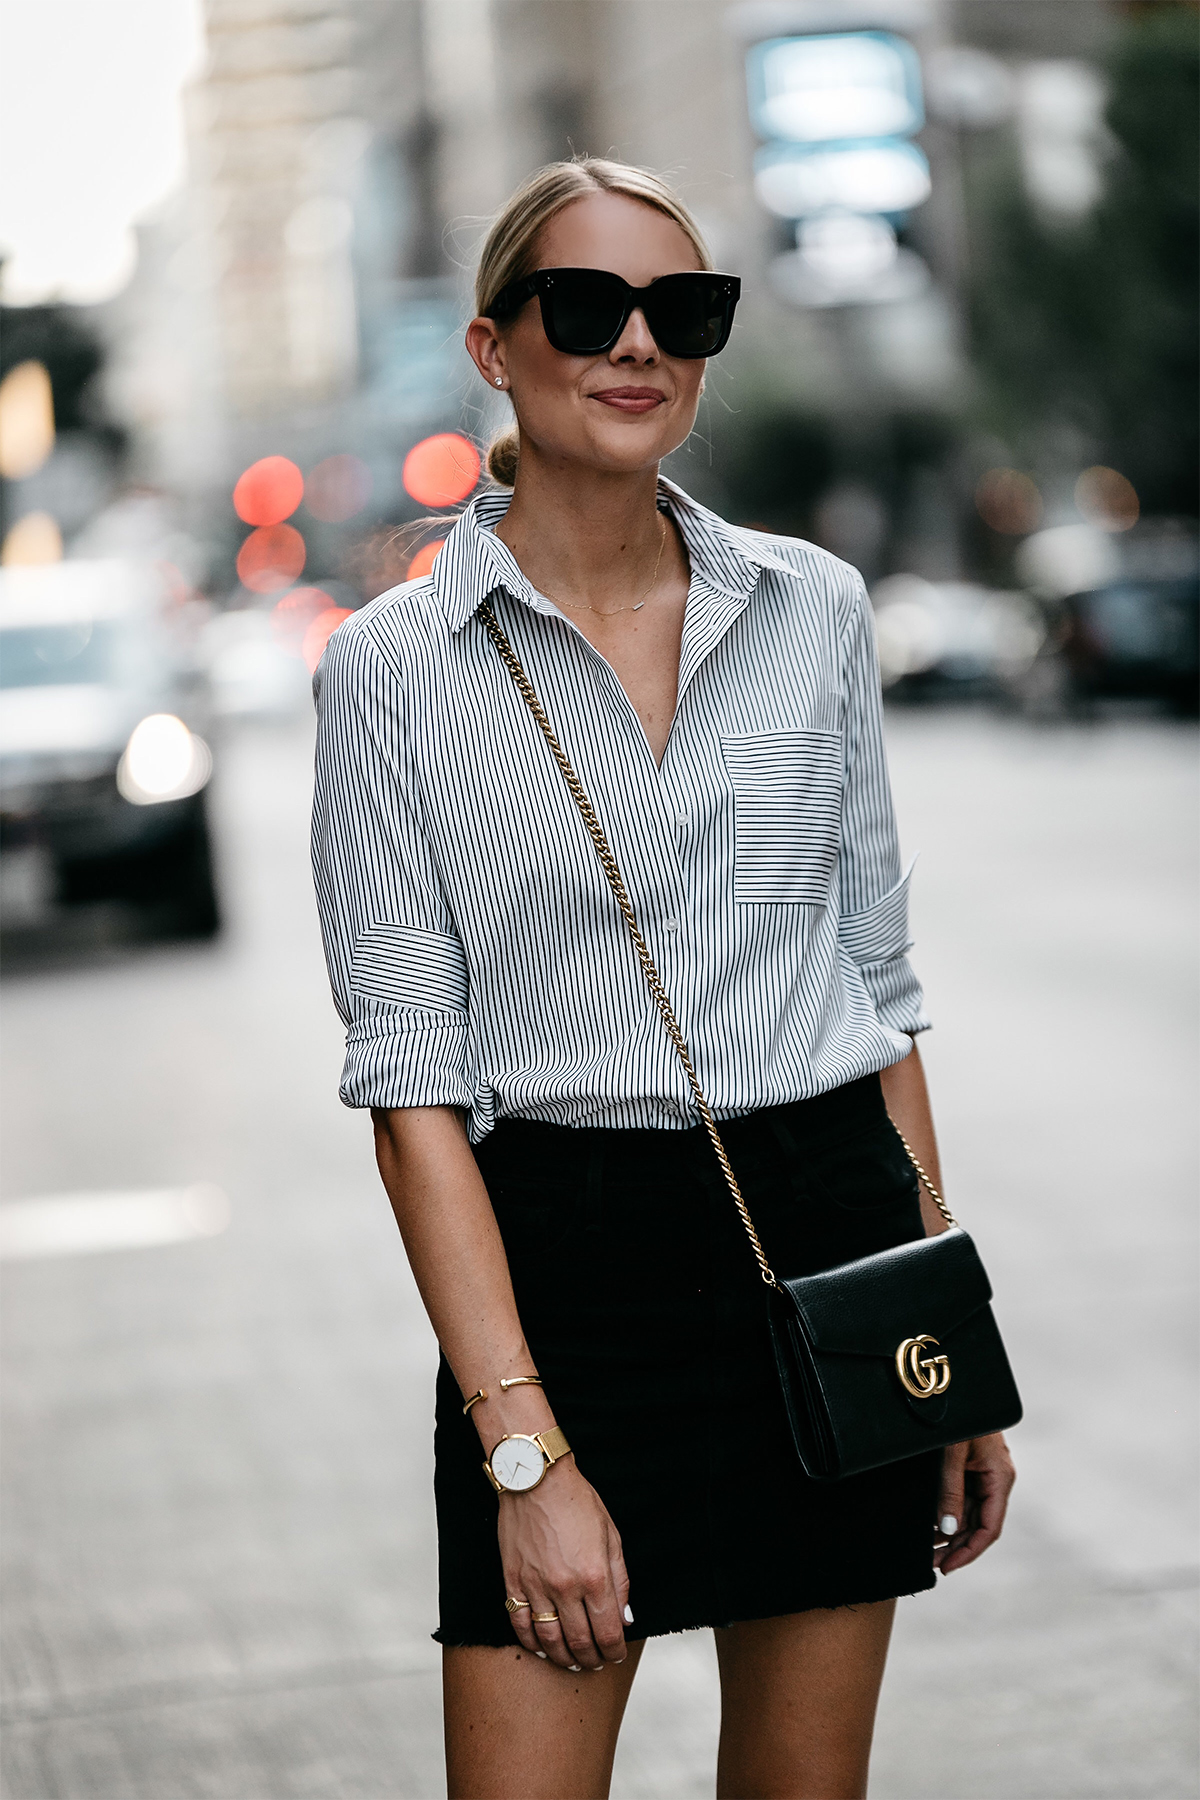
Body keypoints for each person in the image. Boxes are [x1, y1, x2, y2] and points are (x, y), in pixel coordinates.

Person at [311, 157, 1016, 1800]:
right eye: (588, 306)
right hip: (560, 1284)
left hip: (826, 1246)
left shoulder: (815, 610)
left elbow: (876, 993)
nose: (639, 345)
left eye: (683, 312)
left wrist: (943, 1331)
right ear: (495, 347)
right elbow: (413, 1100)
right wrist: (522, 1453)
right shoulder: (390, 678)